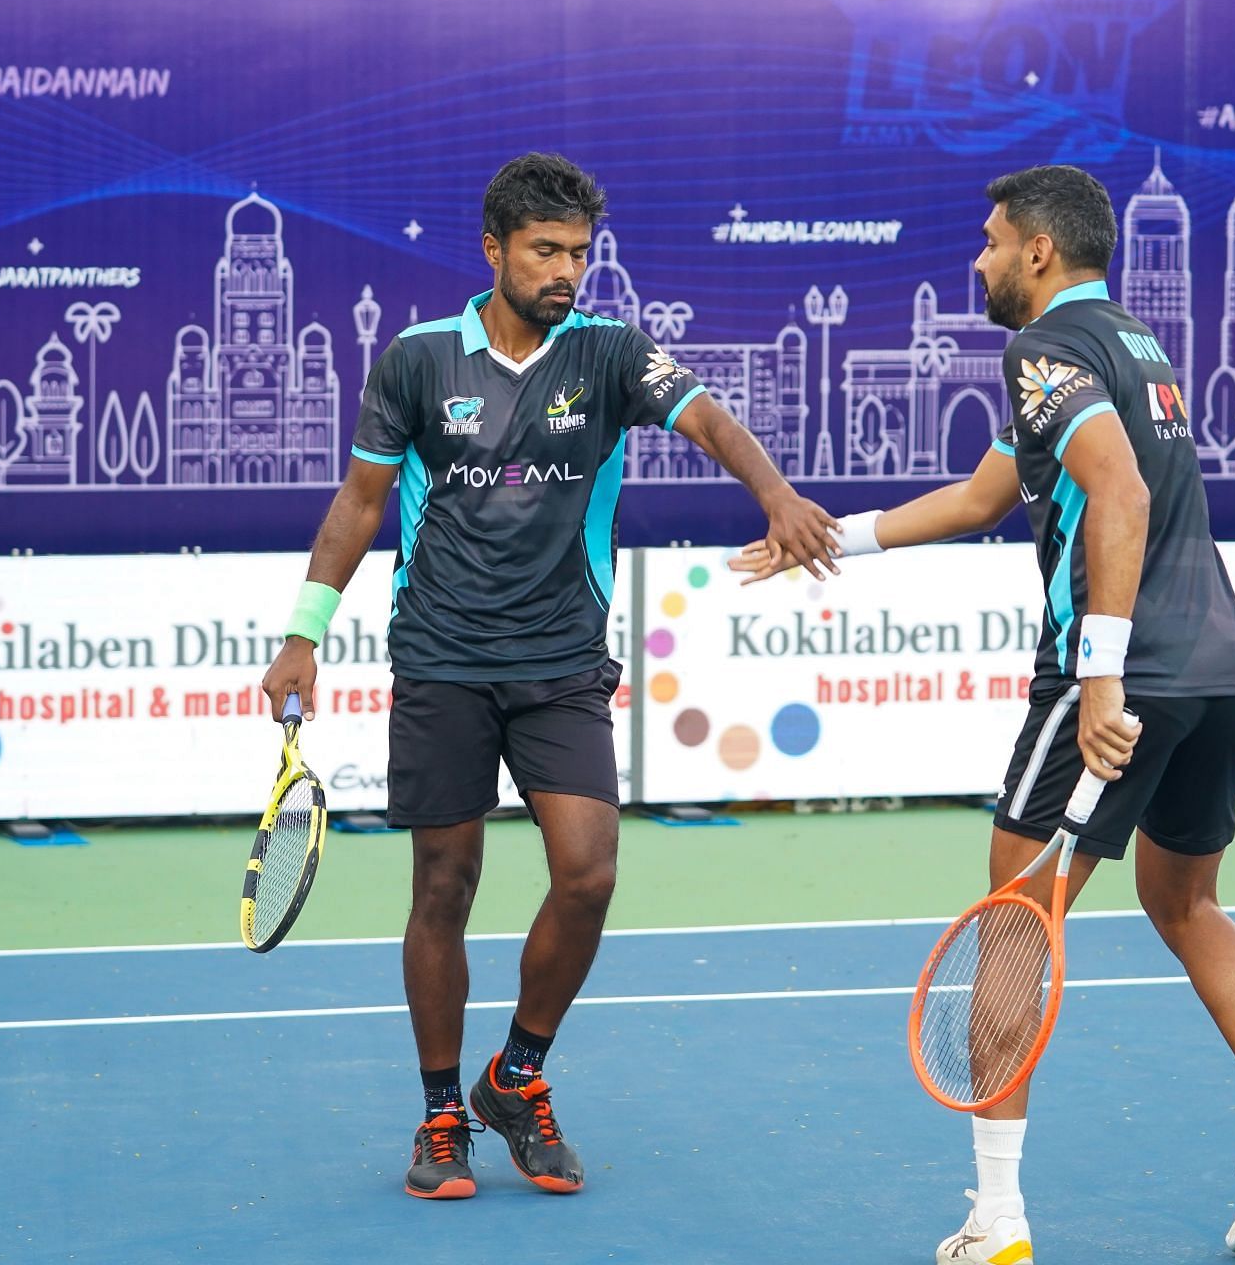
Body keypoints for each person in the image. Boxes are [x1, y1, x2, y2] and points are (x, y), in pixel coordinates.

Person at [732, 165, 1235, 1261]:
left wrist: (1101, 675)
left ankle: (997, 1221)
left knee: (1011, 930)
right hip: (1215, 665)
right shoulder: (1134, 347)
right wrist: (834, 536)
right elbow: (984, 496)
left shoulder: (1043, 348)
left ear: (1039, 254)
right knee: (1185, 898)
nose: (977, 259)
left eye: (989, 240)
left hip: (1116, 673)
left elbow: (1122, 493)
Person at [261, 152, 839, 1202]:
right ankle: (442, 1110)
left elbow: (708, 415)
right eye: (546, 251)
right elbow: (357, 504)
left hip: (563, 661)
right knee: (444, 882)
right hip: (441, 657)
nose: (567, 270)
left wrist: (777, 494)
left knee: (588, 870)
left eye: (579, 252)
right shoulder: (418, 360)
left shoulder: (611, 354)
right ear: (493, 250)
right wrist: (304, 631)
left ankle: (515, 1076)